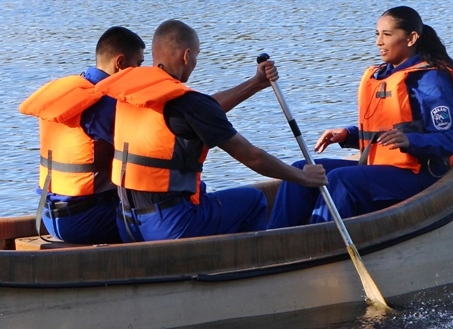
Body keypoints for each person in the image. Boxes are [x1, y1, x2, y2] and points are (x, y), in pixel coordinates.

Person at [94, 19, 327, 242]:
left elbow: (206, 110)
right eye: (196, 55)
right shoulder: (188, 103)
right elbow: (252, 156)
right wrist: (303, 176)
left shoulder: (131, 94)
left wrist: (255, 83)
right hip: (170, 225)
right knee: (255, 201)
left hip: (127, 223)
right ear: (187, 56)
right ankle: (259, 262)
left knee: (204, 192)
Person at [266, 6, 453, 229]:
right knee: (301, 169)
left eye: (387, 35)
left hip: (419, 174)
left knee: (341, 179)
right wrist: (348, 135)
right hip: (381, 168)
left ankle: (320, 242)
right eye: (377, 34)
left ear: (411, 38)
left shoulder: (431, 79)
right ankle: (275, 238)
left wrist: (410, 141)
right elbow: (385, 132)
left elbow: (451, 140)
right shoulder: (382, 75)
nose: (379, 42)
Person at [19, 26, 146, 244]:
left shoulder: (71, 92)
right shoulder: (104, 105)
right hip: (86, 220)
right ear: (120, 63)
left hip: (49, 216)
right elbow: (145, 150)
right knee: (163, 218)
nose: (141, 72)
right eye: (139, 64)